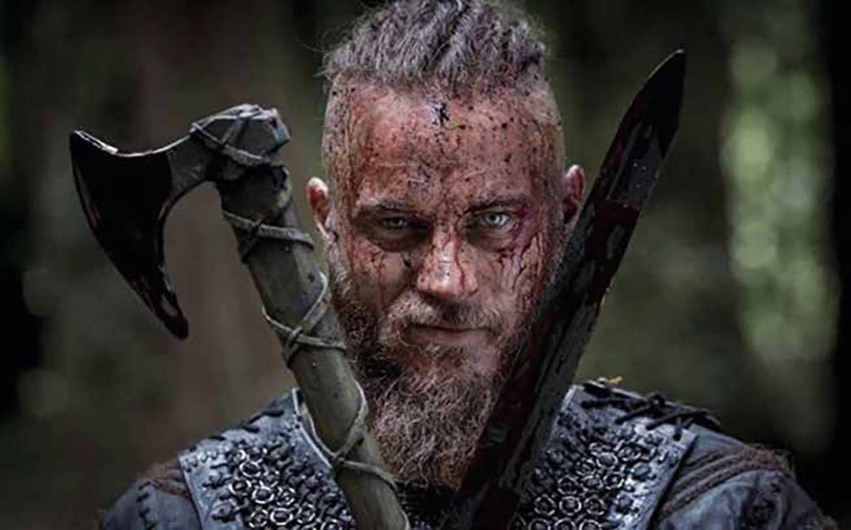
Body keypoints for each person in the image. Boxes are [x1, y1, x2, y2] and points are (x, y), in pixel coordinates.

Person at [99, 1, 832, 528]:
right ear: (326, 222)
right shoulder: (185, 517)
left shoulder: (723, 509)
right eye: (396, 226)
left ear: (567, 216)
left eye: (494, 223)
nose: (445, 279)